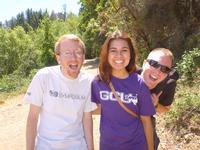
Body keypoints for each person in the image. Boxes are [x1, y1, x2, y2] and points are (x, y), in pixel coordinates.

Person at [24, 34, 97, 150]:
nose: (73, 58)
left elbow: (87, 119)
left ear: (83, 57)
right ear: (58, 58)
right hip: (46, 146)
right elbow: (33, 117)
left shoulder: (89, 82)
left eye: (78, 52)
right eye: (67, 53)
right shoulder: (44, 77)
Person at [91, 30, 155, 150]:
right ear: (107, 54)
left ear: (130, 53)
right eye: (113, 51)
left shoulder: (139, 84)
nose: (119, 55)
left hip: (136, 145)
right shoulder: (98, 82)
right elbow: (90, 110)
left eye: (124, 50)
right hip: (108, 146)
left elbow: (147, 122)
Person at [138, 48, 179, 150]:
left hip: (146, 128)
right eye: (154, 64)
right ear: (144, 63)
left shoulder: (168, 84)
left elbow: (166, 109)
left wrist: (155, 105)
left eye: (165, 69)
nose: (158, 72)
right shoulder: (128, 76)